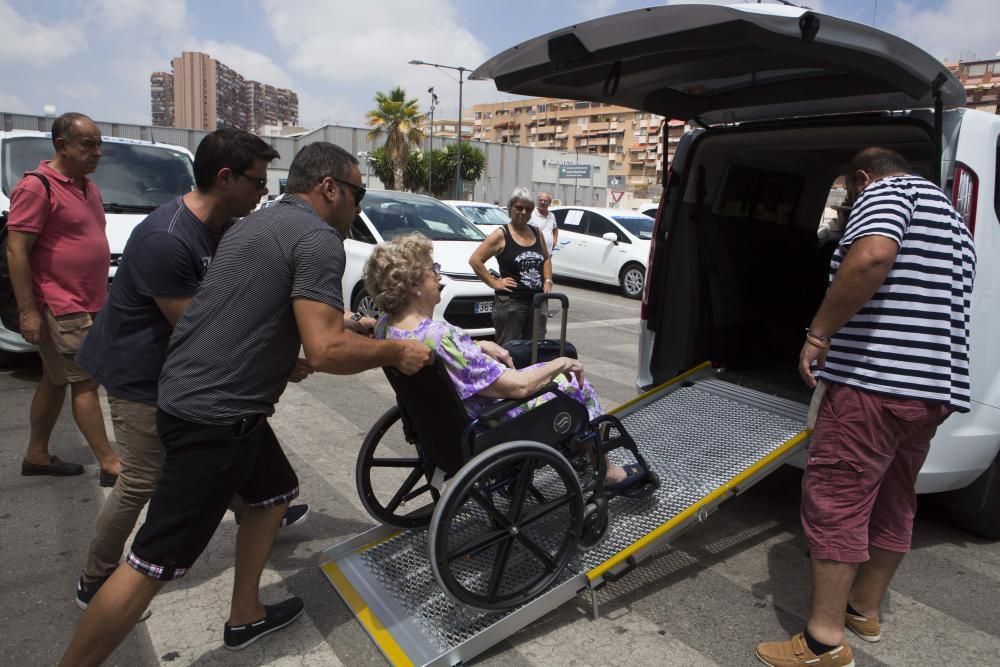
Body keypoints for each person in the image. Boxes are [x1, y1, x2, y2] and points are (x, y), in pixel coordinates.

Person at [59, 142, 433, 666]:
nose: (359, 206)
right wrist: (397, 350)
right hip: (215, 417)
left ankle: (245, 614)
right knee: (153, 564)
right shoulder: (318, 238)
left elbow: (253, 310)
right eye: (358, 193)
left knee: (273, 494)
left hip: (201, 399)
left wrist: (339, 329)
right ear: (329, 188)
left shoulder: (253, 225)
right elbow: (325, 351)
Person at [73, 128, 312, 615]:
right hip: (142, 376)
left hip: (186, 376)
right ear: (226, 178)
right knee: (142, 479)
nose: (264, 193)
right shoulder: (168, 237)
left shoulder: (227, 227)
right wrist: (281, 360)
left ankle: (260, 510)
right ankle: (96, 579)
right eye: (258, 182)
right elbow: (202, 329)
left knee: (225, 455)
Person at [755, 147, 976, 667]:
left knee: (836, 498)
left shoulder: (887, 193)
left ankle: (822, 642)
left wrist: (819, 334)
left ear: (861, 179)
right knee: (896, 499)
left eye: (848, 192)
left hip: (872, 386)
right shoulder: (952, 218)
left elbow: (873, 255)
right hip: (930, 391)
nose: (849, 202)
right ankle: (863, 609)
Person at [365, 232, 645, 490]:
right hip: (490, 424)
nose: (439, 277)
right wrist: (561, 363)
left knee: (538, 368)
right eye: (433, 270)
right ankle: (603, 469)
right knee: (573, 384)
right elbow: (519, 388)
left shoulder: (388, 328)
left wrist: (478, 343)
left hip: (445, 428)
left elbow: (447, 354)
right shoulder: (442, 337)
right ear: (414, 284)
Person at [7, 112, 120, 485]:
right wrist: (28, 312)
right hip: (61, 304)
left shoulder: (86, 187)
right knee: (86, 382)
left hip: (90, 300)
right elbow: (17, 251)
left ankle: (36, 454)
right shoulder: (38, 186)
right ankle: (109, 463)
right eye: (88, 144)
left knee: (54, 380)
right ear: (61, 145)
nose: (97, 152)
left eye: (99, 144)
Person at [469, 187, 552, 346]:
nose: (523, 212)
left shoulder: (537, 233)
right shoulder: (501, 234)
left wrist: (548, 279)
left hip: (537, 302)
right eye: (519, 208)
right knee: (509, 350)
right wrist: (494, 282)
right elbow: (475, 260)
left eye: (528, 209)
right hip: (511, 304)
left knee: (536, 350)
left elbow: (546, 258)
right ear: (510, 208)